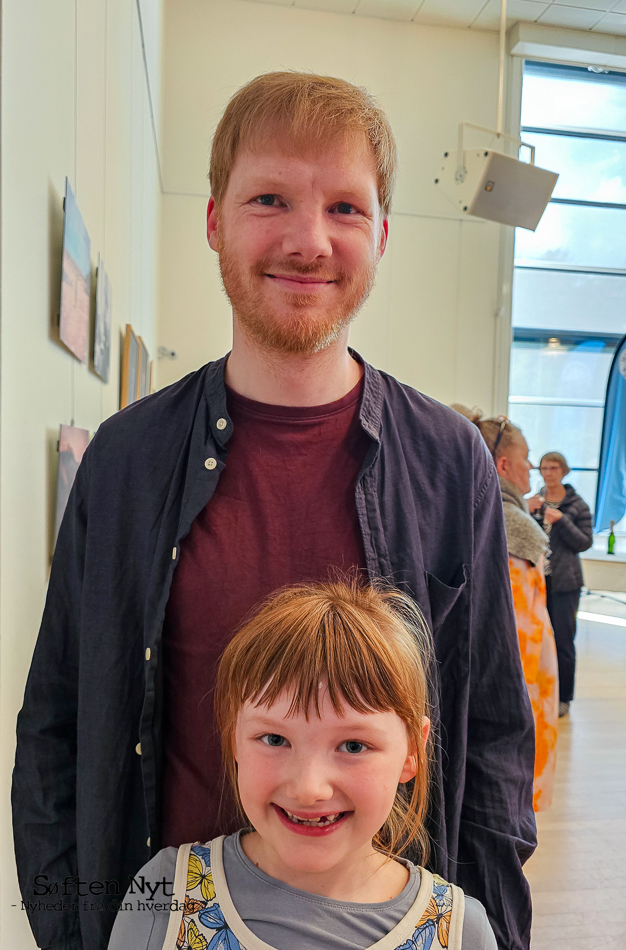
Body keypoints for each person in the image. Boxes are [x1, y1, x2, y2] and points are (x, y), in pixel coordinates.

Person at [13, 73, 535, 950]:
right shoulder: (127, 460)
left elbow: (488, 743)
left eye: (345, 208)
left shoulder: (450, 463)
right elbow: (58, 727)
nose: (308, 240)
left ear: (381, 234)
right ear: (214, 219)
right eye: (270, 198)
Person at [107, 580, 497, 950]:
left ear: (412, 752)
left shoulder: (460, 931)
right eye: (275, 739)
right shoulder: (165, 890)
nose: (309, 789)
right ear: (233, 739)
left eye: (354, 745)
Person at [452, 408, 558, 812]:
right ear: (503, 463)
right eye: (526, 456)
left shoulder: (478, 509)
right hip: (518, 694)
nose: (531, 466)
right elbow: (518, 637)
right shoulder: (510, 523)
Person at [528, 452, 593, 718]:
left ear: (564, 471)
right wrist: (529, 513)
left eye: (553, 468)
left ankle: (564, 697)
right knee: (537, 639)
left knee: (563, 641)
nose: (548, 472)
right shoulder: (534, 500)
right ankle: (539, 692)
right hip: (536, 581)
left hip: (566, 583)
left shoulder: (578, 504)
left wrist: (561, 520)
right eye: (543, 467)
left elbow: (584, 542)